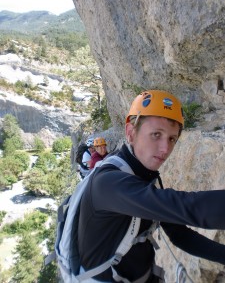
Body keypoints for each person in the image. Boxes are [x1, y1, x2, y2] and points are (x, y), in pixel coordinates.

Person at [78, 90, 225, 282]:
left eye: (172, 138)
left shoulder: (141, 175)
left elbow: (179, 235)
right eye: (156, 134)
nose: (165, 149)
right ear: (130, 133)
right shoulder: (108, 184)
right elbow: (189, 208)